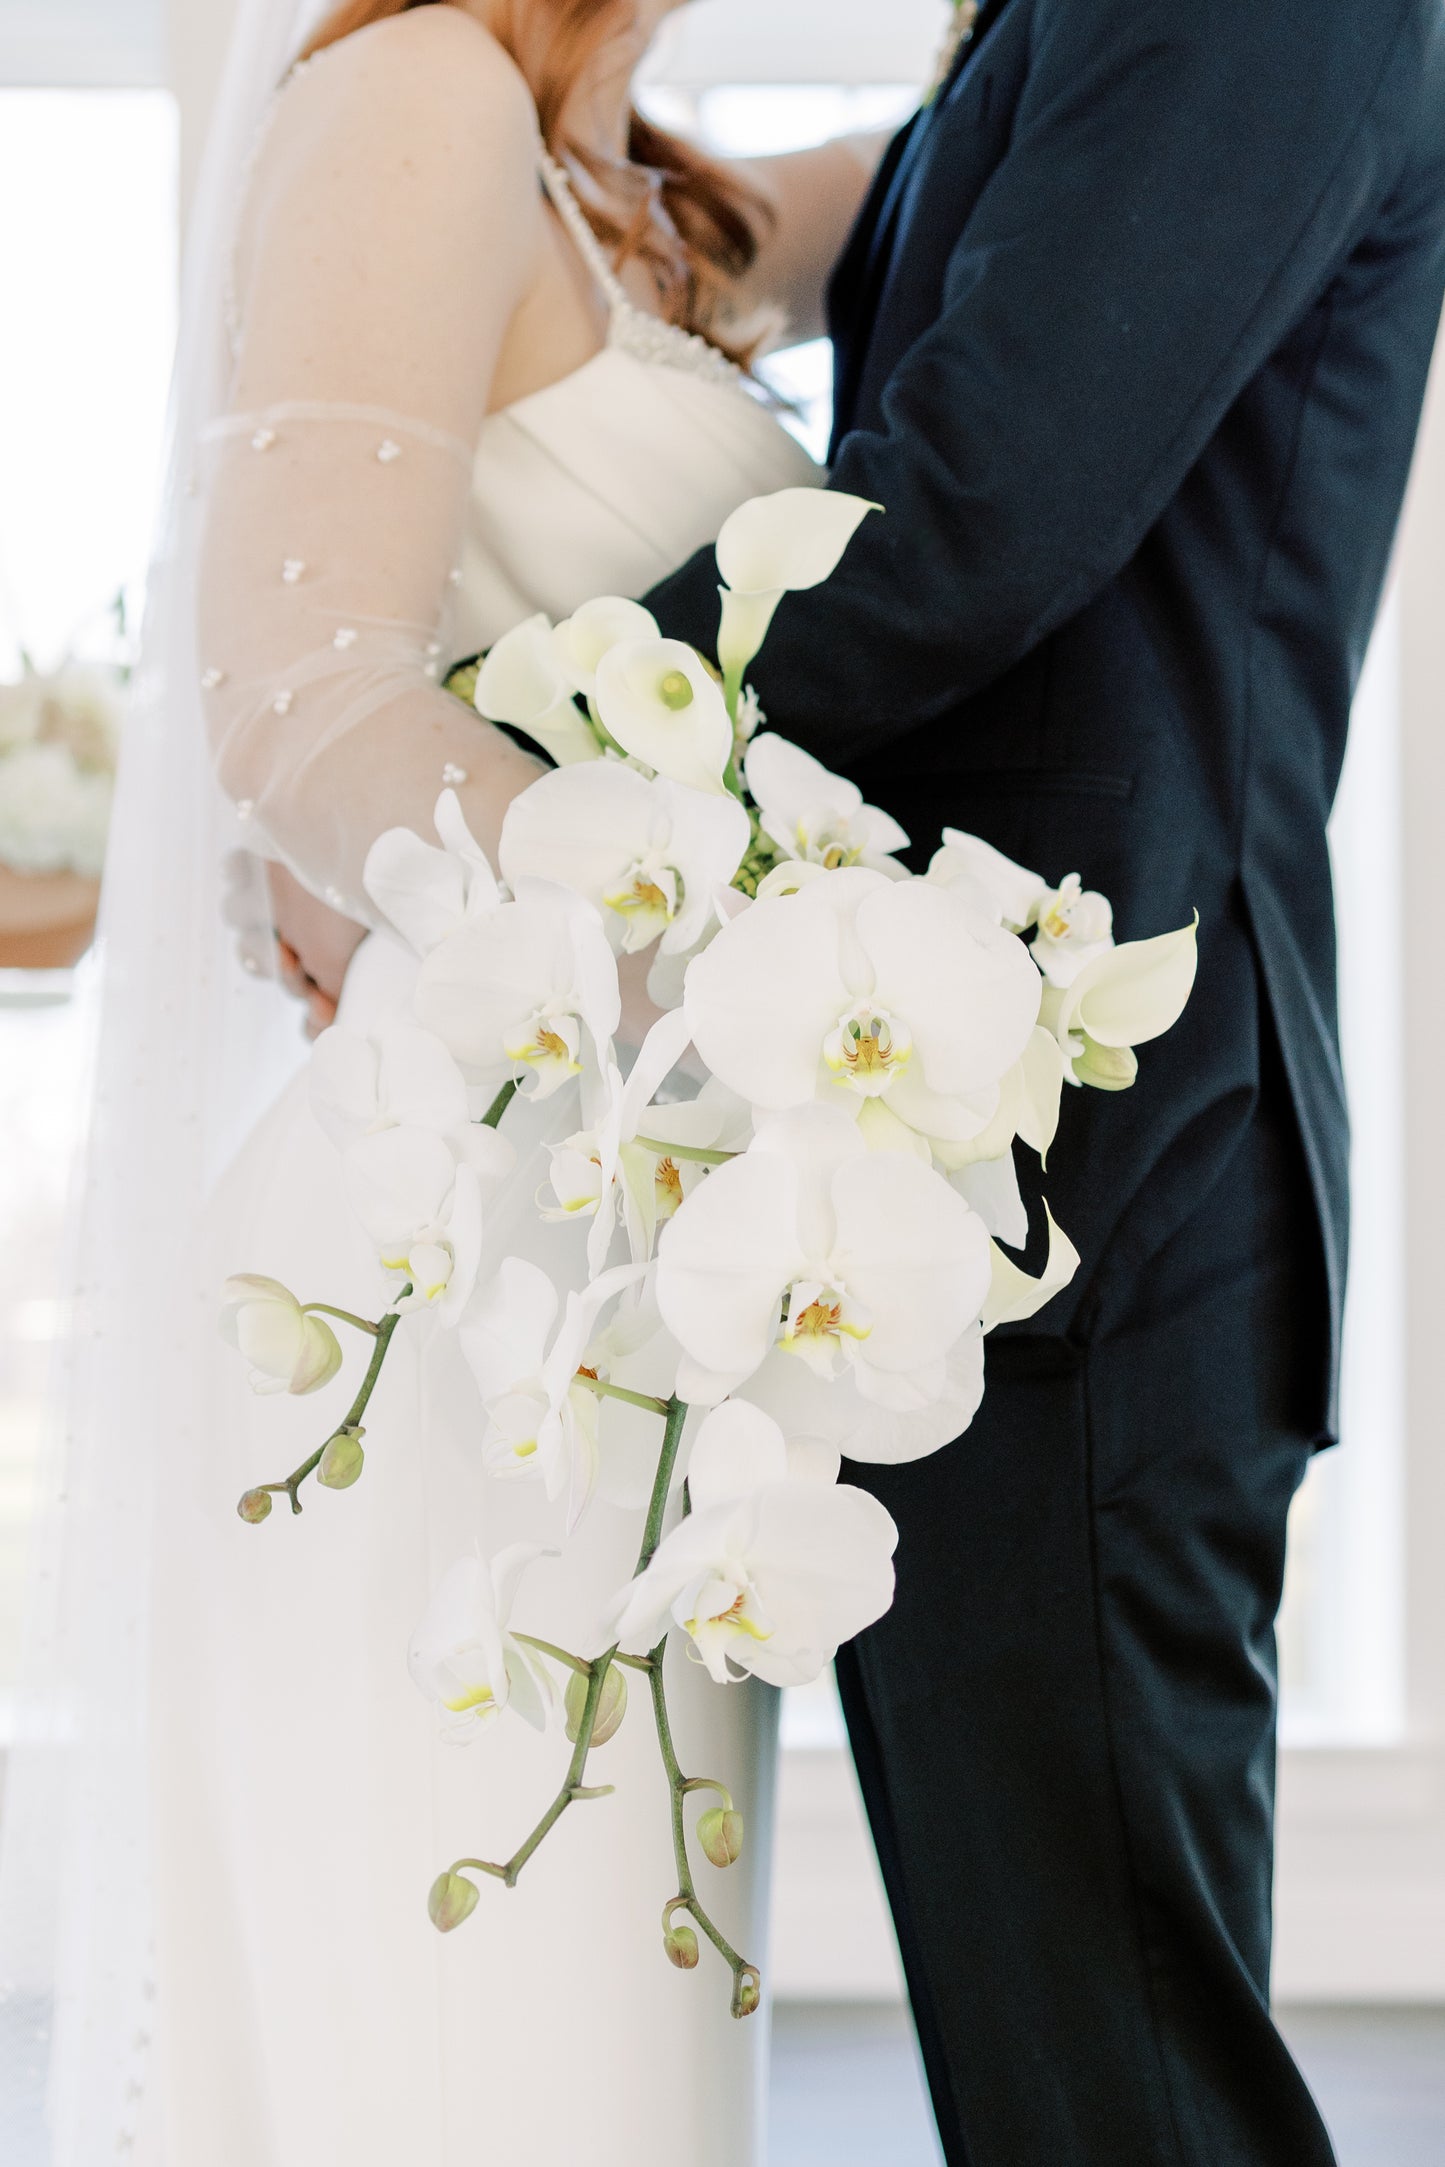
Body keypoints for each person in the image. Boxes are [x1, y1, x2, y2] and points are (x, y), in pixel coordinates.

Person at [0, 3, 881, 2162]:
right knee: (475, 2071)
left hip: (610, 1298)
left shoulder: (638, 178)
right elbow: (299, 697)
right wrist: (755, 960)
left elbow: (987, 148)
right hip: (429, 1303)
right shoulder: (417, 99)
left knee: (612, 2071)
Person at [638, 3, 1445, 2163]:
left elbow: (975, 511)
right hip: (1000, 1145)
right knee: (1065, 2070)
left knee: (1116, 2094)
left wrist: (535, 717)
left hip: (1111, 1163)